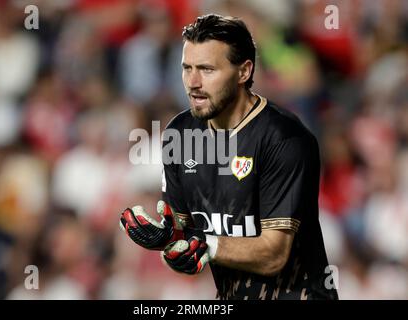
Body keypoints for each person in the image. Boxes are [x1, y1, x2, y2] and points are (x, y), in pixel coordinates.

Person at [120, 14, 338, 300]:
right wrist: (168, 240)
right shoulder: (180, 134)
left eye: (207, 70)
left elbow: (274, 254)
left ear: (244, 72)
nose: (193, 82)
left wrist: (204, 245)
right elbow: (191, 248)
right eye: (187, 69)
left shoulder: (284, 139)